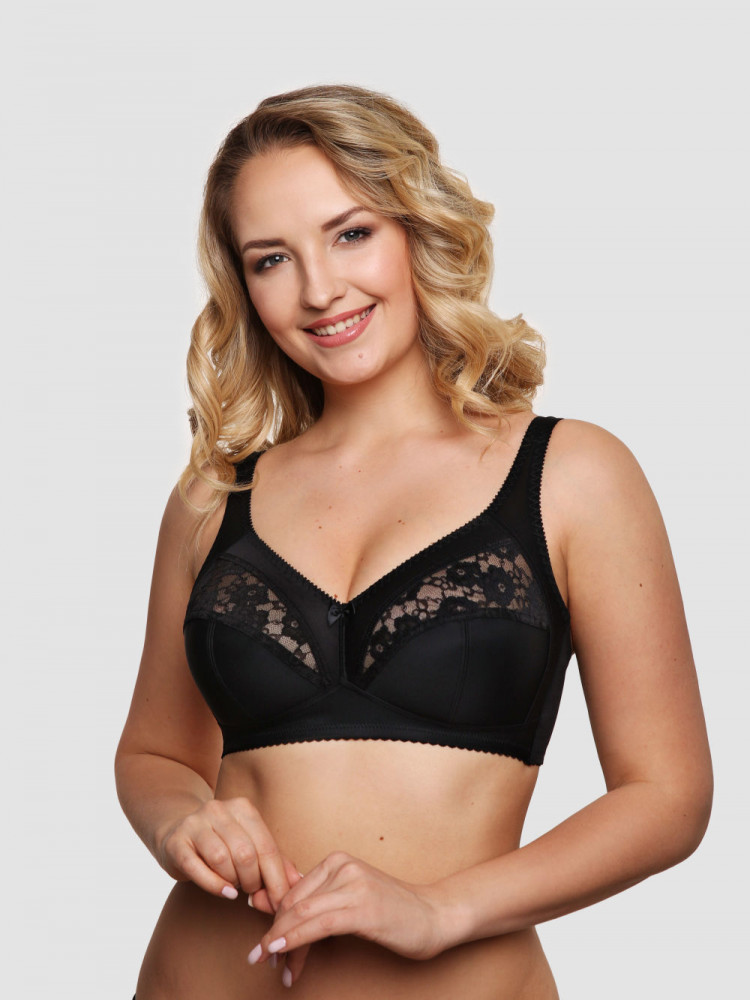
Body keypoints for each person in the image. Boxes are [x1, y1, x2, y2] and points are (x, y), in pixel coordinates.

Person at [115, 84, 713, 999]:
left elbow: (668, 797)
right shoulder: (213, 495)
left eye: (351, 233)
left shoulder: (572, 475)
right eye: (272, 259)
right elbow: (154, 755)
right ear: (244, 285)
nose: (320, 289)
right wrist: (181, 823)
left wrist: (442, 911)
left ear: (417, 230)